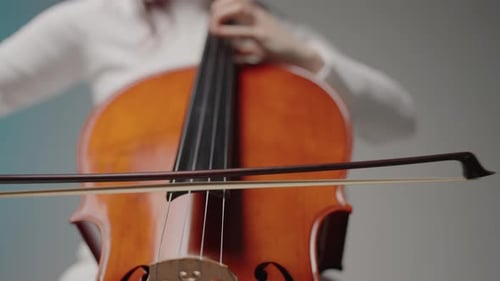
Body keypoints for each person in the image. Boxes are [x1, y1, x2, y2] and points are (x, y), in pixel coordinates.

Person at [0, 0, 416, 280]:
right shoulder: (99, 18)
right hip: (126, 264)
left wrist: (301, 54)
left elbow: (399, 118)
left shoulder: (271, 31)